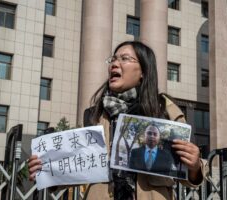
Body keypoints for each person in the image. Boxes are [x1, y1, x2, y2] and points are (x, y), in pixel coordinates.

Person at [28, 41, 205, 200]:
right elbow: (77, 166)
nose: (115, 63)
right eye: (113, 59)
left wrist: (195, 166)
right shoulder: (94, 115)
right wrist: (46, 170)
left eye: (124, 58)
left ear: (143, 71)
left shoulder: (164, 109)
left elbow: (190, 171)